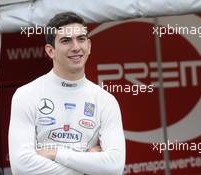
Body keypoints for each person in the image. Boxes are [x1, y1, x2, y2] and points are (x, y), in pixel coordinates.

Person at [8, 12, 125, 175]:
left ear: (89, 46)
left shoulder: (106, 100)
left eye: (81, 39)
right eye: (66, 40)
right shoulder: (26, 95)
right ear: (50, 51)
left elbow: (114, 167)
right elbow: (21, 167)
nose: (76, 47)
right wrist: (87, 164)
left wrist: (55, 154)